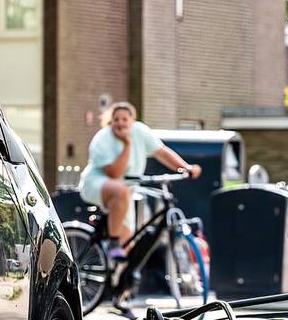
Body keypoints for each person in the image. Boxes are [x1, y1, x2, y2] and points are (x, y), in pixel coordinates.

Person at [78, 102, 202, 260]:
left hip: (126, 190)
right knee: (120, 190)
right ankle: (113, 242)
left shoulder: (140, 131)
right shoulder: (102, 138)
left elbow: (161, 152)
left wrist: (185, 167)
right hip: (98, 184)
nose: (120, 123)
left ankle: (118, 278)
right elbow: (115, 173)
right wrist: (127, 144)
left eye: (124, 119)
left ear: (132, 119)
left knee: (128, 242)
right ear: (111, 121)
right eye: (116, 119)